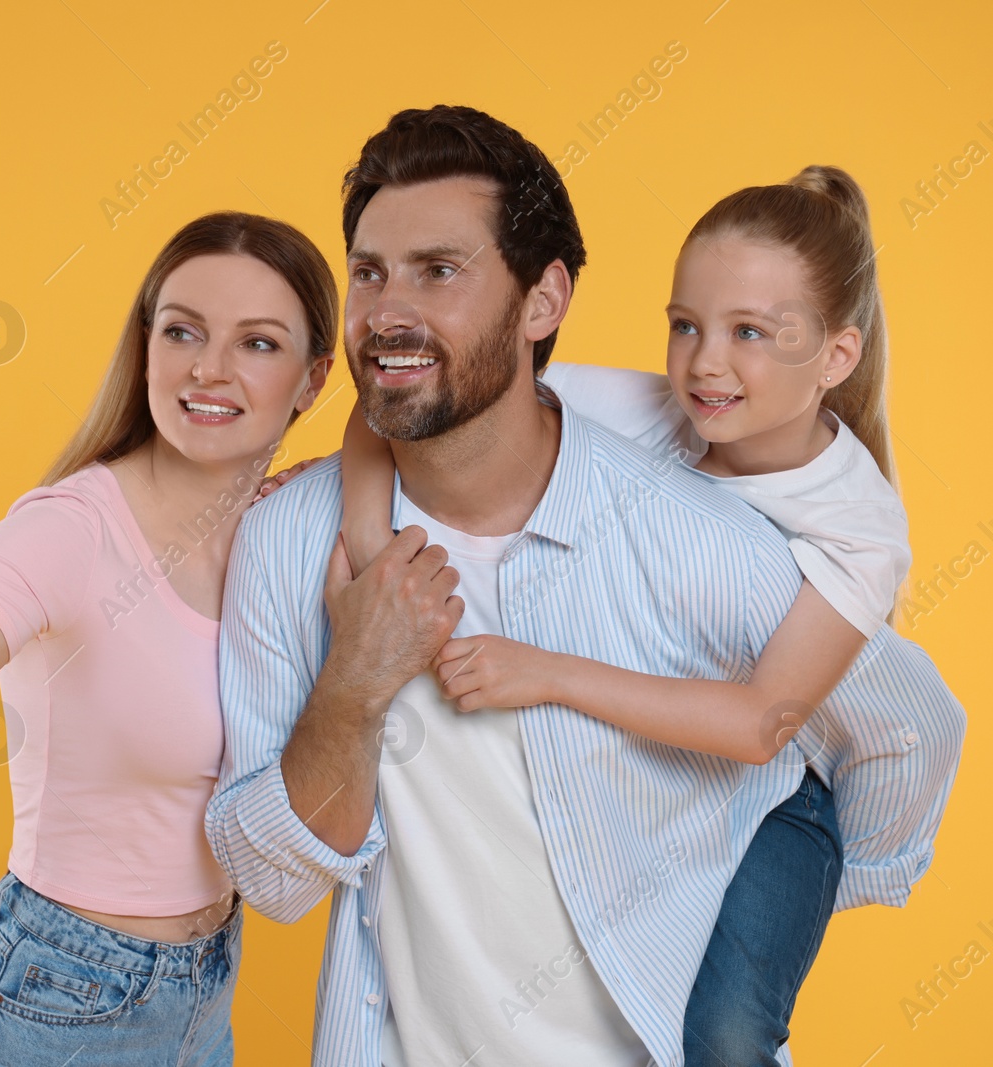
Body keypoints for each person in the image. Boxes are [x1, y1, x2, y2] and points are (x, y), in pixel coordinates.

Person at [205, 105, 965, 1067]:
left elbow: (906, 726)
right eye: (368, 272)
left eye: (438, 270)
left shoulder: (746, 542)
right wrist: (357, 654)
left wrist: (770, 871)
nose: (390, 308)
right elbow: (270, 882)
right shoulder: (290, 544)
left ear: (542, 301)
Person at [0, 211, 339, 1066]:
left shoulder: (283, 536)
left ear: (313, 379)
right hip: (56, 1000)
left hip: (203, 990)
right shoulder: (76, 532)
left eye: (258, 343)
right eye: (182, 330)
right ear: (146, 345)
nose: (210, 368)